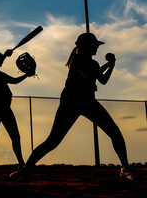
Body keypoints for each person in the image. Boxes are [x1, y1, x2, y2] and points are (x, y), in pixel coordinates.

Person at [13, 33, 134, 180]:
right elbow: (90, 76)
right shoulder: (77, 60)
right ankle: (26, 169)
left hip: (87, 100)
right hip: (71, 101)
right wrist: (108, 64)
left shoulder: (93, 64)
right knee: (53, 141)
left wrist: (111, 65)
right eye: (94, 45)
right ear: (86, 46)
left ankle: (125, 168)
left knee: (114, 132)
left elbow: (102, 80)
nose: (97, 47)